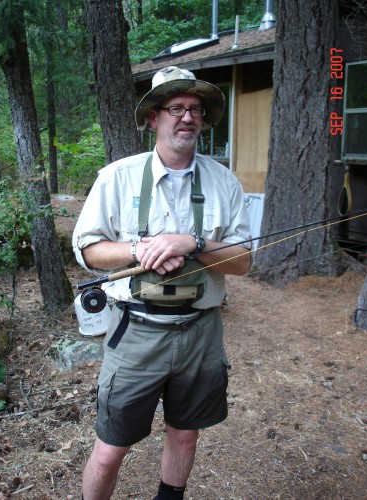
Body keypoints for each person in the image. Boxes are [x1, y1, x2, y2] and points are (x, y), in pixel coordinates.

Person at [73, 65, 252, 500]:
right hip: (134, 332)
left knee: (185, 435)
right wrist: (142, 249)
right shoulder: (116, 177)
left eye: (195, 109)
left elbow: (243, 261)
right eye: (176, 108)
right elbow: (88, 250)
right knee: (111, 448)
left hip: (200, 333)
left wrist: (191, 242)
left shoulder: (223, 181)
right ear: (154, 117)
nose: (187, 118)